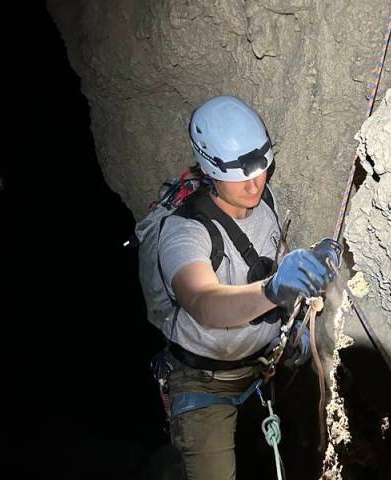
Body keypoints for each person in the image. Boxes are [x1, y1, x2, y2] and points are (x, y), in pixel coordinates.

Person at [157, 95, 341, 479]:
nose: (255, 183)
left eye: (261, 166)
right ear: (209, 167)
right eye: (240, 174)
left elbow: (277, 257)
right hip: (205, 384)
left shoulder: (267, 201)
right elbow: (204, 302)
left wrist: (310, 264)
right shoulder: (185, 231)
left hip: (263, 367)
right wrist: (272, 290)